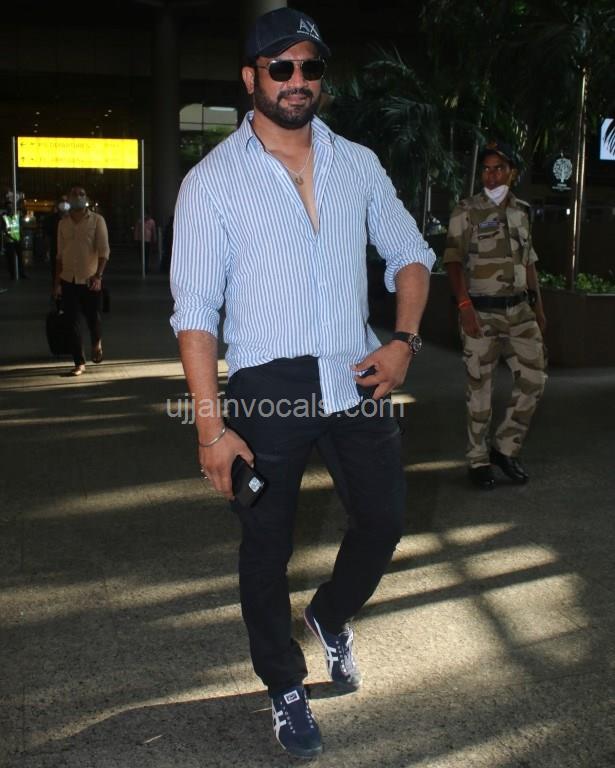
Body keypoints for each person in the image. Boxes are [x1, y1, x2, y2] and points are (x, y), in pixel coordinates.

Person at [170, 7, 434, 759]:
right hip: (266, 384)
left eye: (309, 67)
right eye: (279, 67)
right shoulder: (211, 183)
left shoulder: (358, 163)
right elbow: (195, 315)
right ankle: (283, 683)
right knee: (265, 547)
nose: (296, 80)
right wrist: (211, 431)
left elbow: (410, 253)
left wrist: (404, 342)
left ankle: (330, 614)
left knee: (382, 522)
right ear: (250, 77)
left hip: (356, 372)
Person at [443, 140, 547, 490]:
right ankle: (478, 459)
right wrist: (464, 307)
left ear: (512, 173)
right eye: (486, 169)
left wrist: (539, 308)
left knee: (534, 379)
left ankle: (505, 448)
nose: (491, 175)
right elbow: (453, 261)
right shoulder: (466, 210)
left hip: (520, 311)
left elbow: (529, 262)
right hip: (480, 312)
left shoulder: (522, 211)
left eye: (498, 168)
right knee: (480, 388)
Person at [54, 186, 110, 376]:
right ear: (68, 198)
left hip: (90, 279)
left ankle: (96, 343)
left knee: (93, 318)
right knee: (72, 322)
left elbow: (104, 251)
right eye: (74, 194)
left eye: (82, 194)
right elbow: (59, 256)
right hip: (68, 279)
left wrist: (98, 275)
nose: (78, 196)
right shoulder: (63, 224)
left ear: (86, 199)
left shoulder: (97, 220)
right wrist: (57, 283)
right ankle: (79, 362)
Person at [43, 196, 70, 288]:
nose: (64, 203)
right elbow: (47, 236)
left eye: (66, 201)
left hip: (70, 250)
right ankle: (57, 289)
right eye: (62, 201)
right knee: (56, 271)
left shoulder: (73, 218)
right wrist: (47, 250)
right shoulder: (50, 219)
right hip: (56, 249)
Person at [1, 200, 27, 279]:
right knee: (11, 259)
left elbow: (19, 227)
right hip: (10, 241)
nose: (10, 208)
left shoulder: (16, 216)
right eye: (9, 207)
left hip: (17, 240)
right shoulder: (4, 217)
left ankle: (21, 273)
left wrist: (21, 237)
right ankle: (13, 274)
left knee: (20, 258)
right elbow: (4, 230)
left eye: (11, 207)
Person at [133, 209, 157, 273]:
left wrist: (154, 239)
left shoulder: (152, 221)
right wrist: (136, 239)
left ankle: (146, 267)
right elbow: (137, 230)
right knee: (141, 254)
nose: (147, 216)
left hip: (148, 241)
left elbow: (153, 230)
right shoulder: (140, 221)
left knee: (147, 254)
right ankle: (144, 266)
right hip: (141, 240)